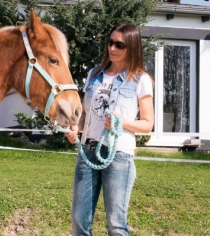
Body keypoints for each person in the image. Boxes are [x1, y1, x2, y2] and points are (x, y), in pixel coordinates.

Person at [66, 23, 154, 236]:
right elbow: (85, 115)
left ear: (131, 47)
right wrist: (75, 129)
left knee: (116, 225)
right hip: (88, 152)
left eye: (119, 45)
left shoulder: (140, 80)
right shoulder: (94, 74)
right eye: (110, 42)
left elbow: (147, 124)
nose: (112, 48)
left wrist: (122, 122)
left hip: (118, 156)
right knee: (79, 222)